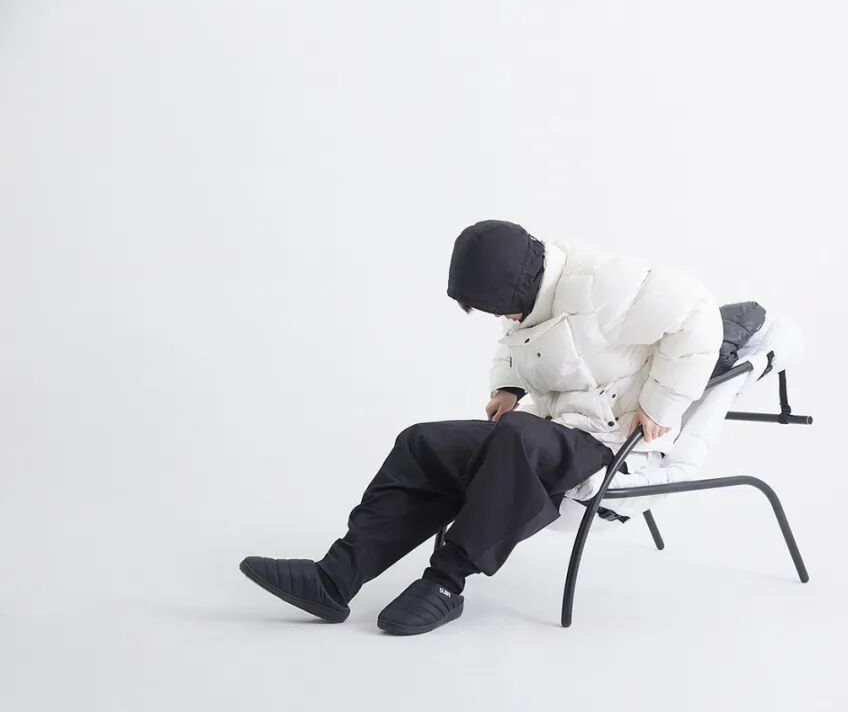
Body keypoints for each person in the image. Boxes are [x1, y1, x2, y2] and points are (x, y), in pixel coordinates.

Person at [240, 220, 724, 635]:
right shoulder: (534, 292)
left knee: (517, 437)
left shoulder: (604, 284)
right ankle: (335, 577)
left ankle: (445, 583)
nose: (501, 318)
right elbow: (516, 341)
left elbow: (699, 314)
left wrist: (661, 405)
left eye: (500, 309)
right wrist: (508, 386)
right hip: (555, 429)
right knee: (422, 442)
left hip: (610, 440)